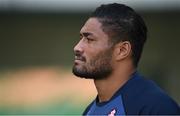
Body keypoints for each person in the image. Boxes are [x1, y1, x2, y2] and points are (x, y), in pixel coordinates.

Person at [72, 3, 180, 115]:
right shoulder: (89, 111)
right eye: (81, 38)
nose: (77, 47)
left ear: (122, 50)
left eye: (89, 39)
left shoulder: (157, 107)